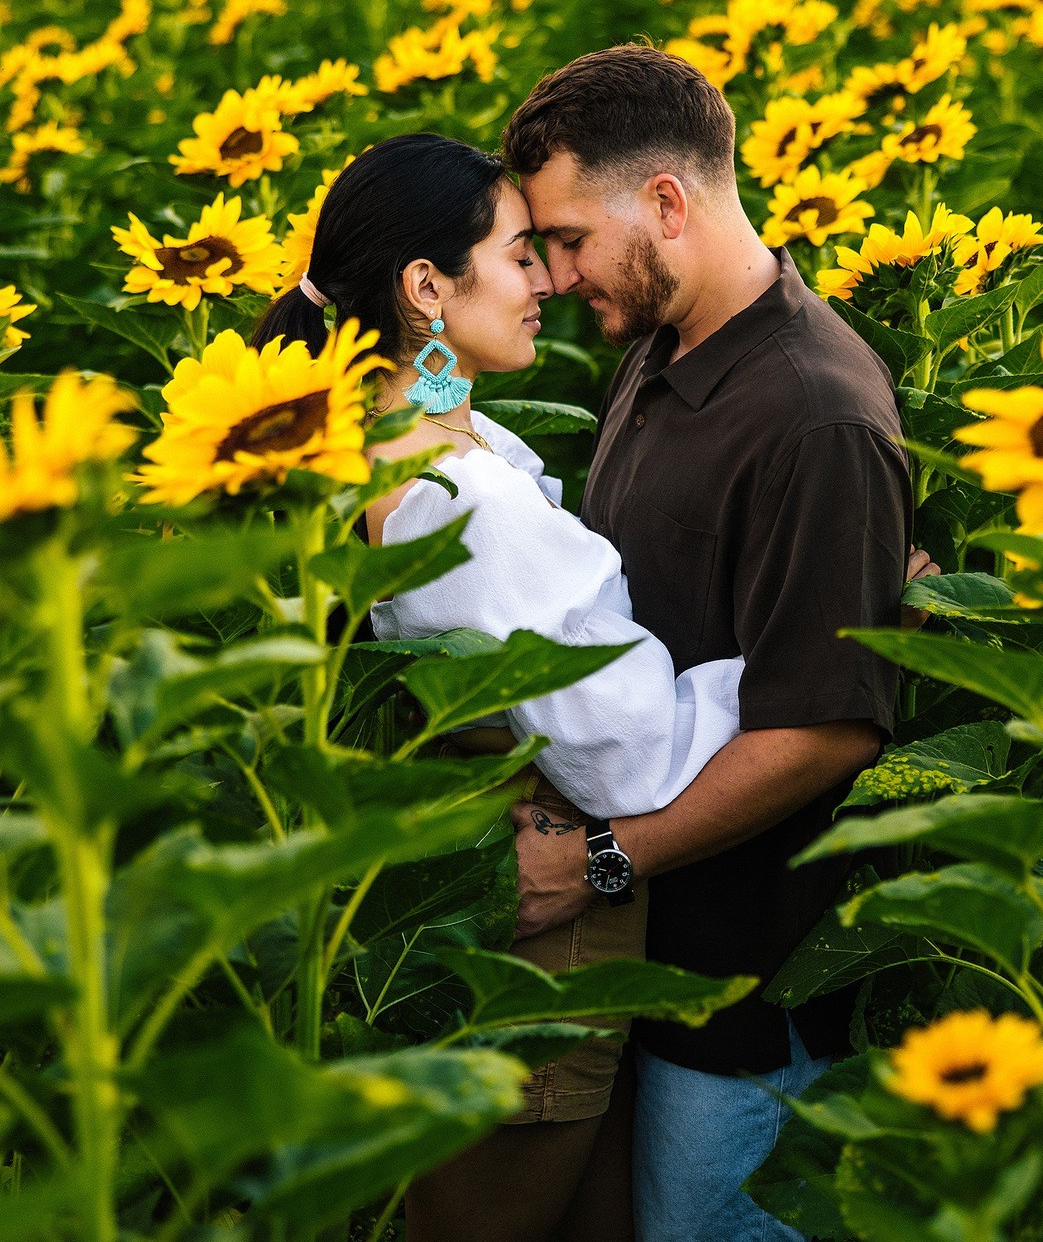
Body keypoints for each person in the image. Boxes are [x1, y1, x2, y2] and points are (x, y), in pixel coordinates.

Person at [252, 132, 744, 1242]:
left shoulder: (369, 448)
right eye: (521, 255)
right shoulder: (455, 493)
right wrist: (807, 652)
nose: (548, 284)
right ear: (427, 286)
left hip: (457, 902)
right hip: (541, 936)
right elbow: (624, 750)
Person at [501, 45, 916, 1242]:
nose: (557, 272)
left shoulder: (815, 412)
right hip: (652, 965)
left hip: (742, 995)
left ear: (667, 204)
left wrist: (600, 863)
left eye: (569, 238)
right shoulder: (662, 343)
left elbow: (827, 724)